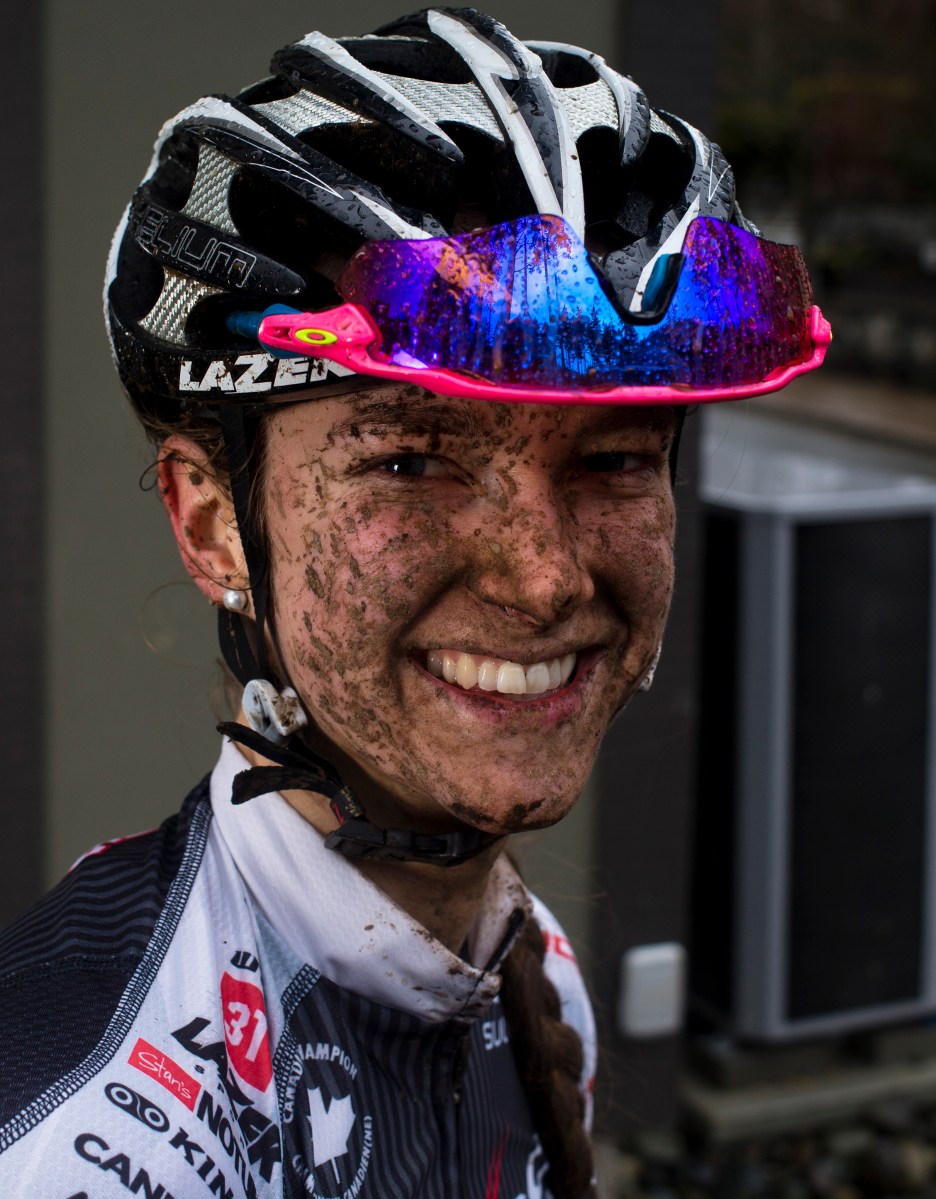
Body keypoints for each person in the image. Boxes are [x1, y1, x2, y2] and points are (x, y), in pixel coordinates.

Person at [0, 8, 830, 1198]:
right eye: (409, 461)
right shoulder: (85, 1141)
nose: (544, 576)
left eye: (615, 460)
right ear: (210, 521)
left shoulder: (533, 977)